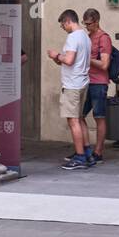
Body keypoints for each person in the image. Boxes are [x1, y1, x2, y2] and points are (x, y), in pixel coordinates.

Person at [50, 10, 93, 170]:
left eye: (63, 25)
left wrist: (56, 54)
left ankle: (80, 157)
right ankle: (87, 152)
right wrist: (58, 58)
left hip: (72, 85)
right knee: (80, 118)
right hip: (83, 82)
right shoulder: (85, 37)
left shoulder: (73, 37)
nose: (63, 28)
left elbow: (68, 60)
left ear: (68, 21)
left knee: (73, 120)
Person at [81, 8, 112, 164]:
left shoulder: (103, 38)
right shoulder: (88, 37)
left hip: (99, 82)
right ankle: (84, 148)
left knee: (99, 117)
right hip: (86, 81)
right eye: (85, 24)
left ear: (97, 21)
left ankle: (98, 151)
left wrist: (87, 58)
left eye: (89, 24)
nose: (87, 27)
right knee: (78, 115)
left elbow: (105, 64)